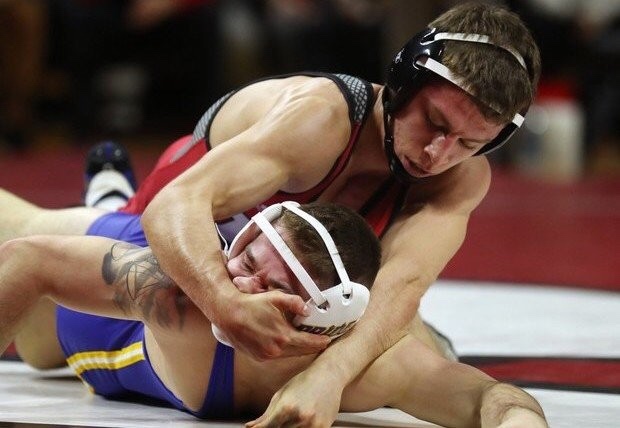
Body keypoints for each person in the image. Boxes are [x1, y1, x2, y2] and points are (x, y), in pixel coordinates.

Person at [94, 2, 540, 425]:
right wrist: (224, 304)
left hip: (281, 273)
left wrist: (327, 378)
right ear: (404, 82)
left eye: (469, 143)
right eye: (435, 123)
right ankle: (109, 201)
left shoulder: (459, 179)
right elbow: (172, 207)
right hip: (175, 225)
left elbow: (401, 285)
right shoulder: (320, 119)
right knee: (88, 311)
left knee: (414, 346)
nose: (436, 154)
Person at [0, 195, 547, 427]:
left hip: (128, 354)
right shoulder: (180, 292)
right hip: (121, 289)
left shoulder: (368, 370)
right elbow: (28, 261)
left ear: (321, 317)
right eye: (246, 257)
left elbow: (494, 398)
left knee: (39, 353)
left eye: (271, 285)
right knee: (29, 275)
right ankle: (111, 200)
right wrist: (213, 278)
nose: (237, 285)